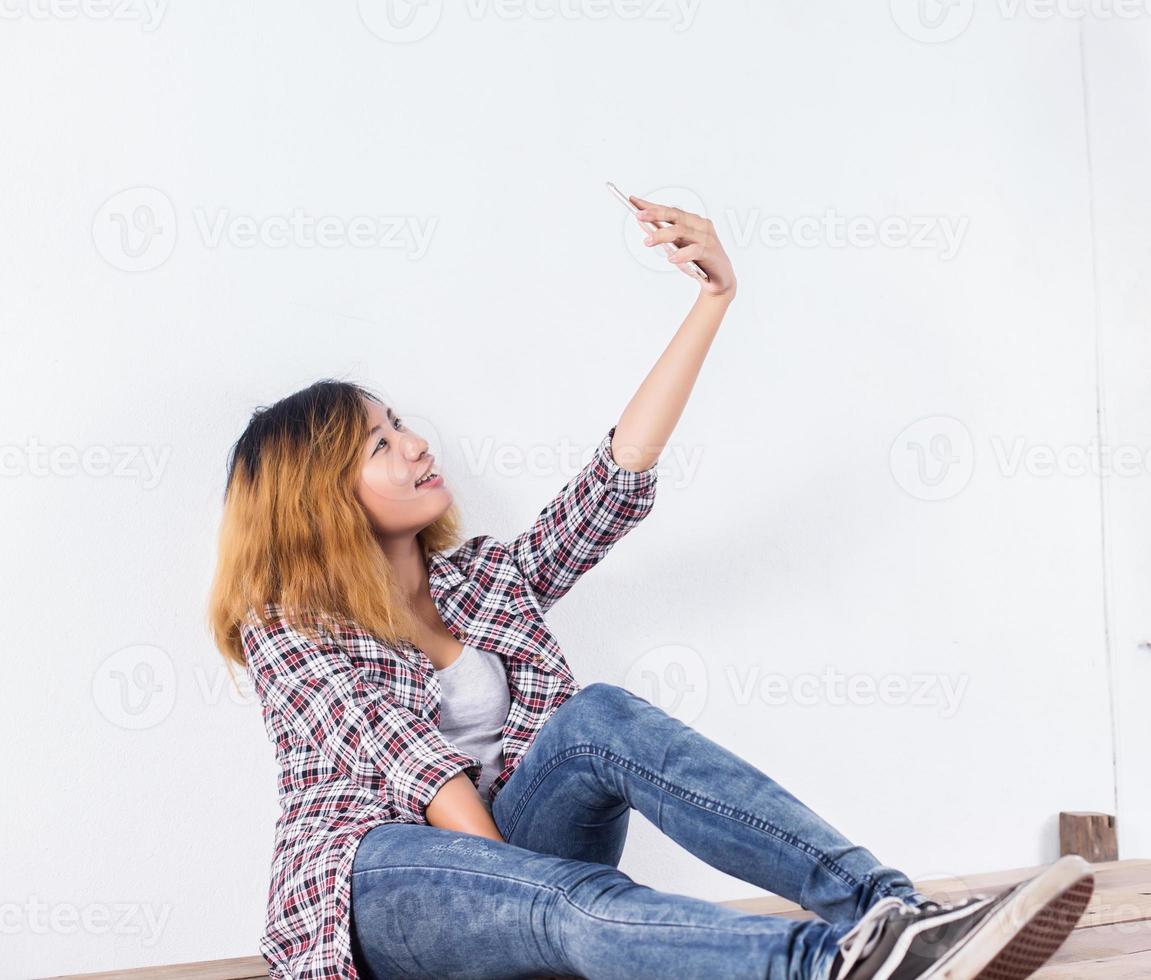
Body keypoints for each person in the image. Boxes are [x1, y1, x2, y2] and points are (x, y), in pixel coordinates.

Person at [208, 197, 1093, 979]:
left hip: (516, 865)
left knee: (596, 717)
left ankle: (886, 915)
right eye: (378, 444)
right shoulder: (287, 629)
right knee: (570, 899)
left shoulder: (481, 581)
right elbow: (422, 772)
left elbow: (612, 483)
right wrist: (530, 905)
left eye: (398, 422)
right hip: (381, 896)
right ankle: (832, 971)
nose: (413, 443)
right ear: (318, 499)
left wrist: (712, 300)